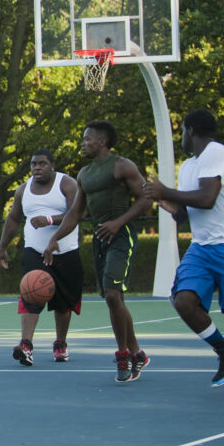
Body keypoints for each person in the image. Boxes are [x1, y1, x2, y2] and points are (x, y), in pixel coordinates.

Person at [144, 109, 224, 399]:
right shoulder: (189, 166)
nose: (181, 138)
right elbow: (186, 214)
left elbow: (207, 198)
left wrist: (168, 190)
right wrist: (165, 201)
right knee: (183, 300)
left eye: (182, 132)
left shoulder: (216, 152)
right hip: (201, 247)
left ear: (190, 130)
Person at [44, 121, 151, 382]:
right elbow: (75, 213)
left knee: (113, 294)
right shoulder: (84, 174)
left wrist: (118, 222)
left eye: (87, 139)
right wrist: (54, 239)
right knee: (115, 299)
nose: (83, 143)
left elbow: (146, 199)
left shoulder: (122, 165)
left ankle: (123, 355)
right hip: (100, 241)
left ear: (102, 142)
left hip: (121, 236)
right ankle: (139, 354)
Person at [0, 149, 83, 365]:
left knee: (64, 303)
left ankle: (60, 344)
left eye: (42, 163)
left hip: (65, 252)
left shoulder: (67, 184)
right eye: (33, 164)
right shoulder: (23, 190)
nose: (37, 167)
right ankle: (26, 344)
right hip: (34, 251)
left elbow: (76, 213)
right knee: (30, 293)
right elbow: (14, 218)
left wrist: (50, 220)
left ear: (52, 165)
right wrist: (2, 247)